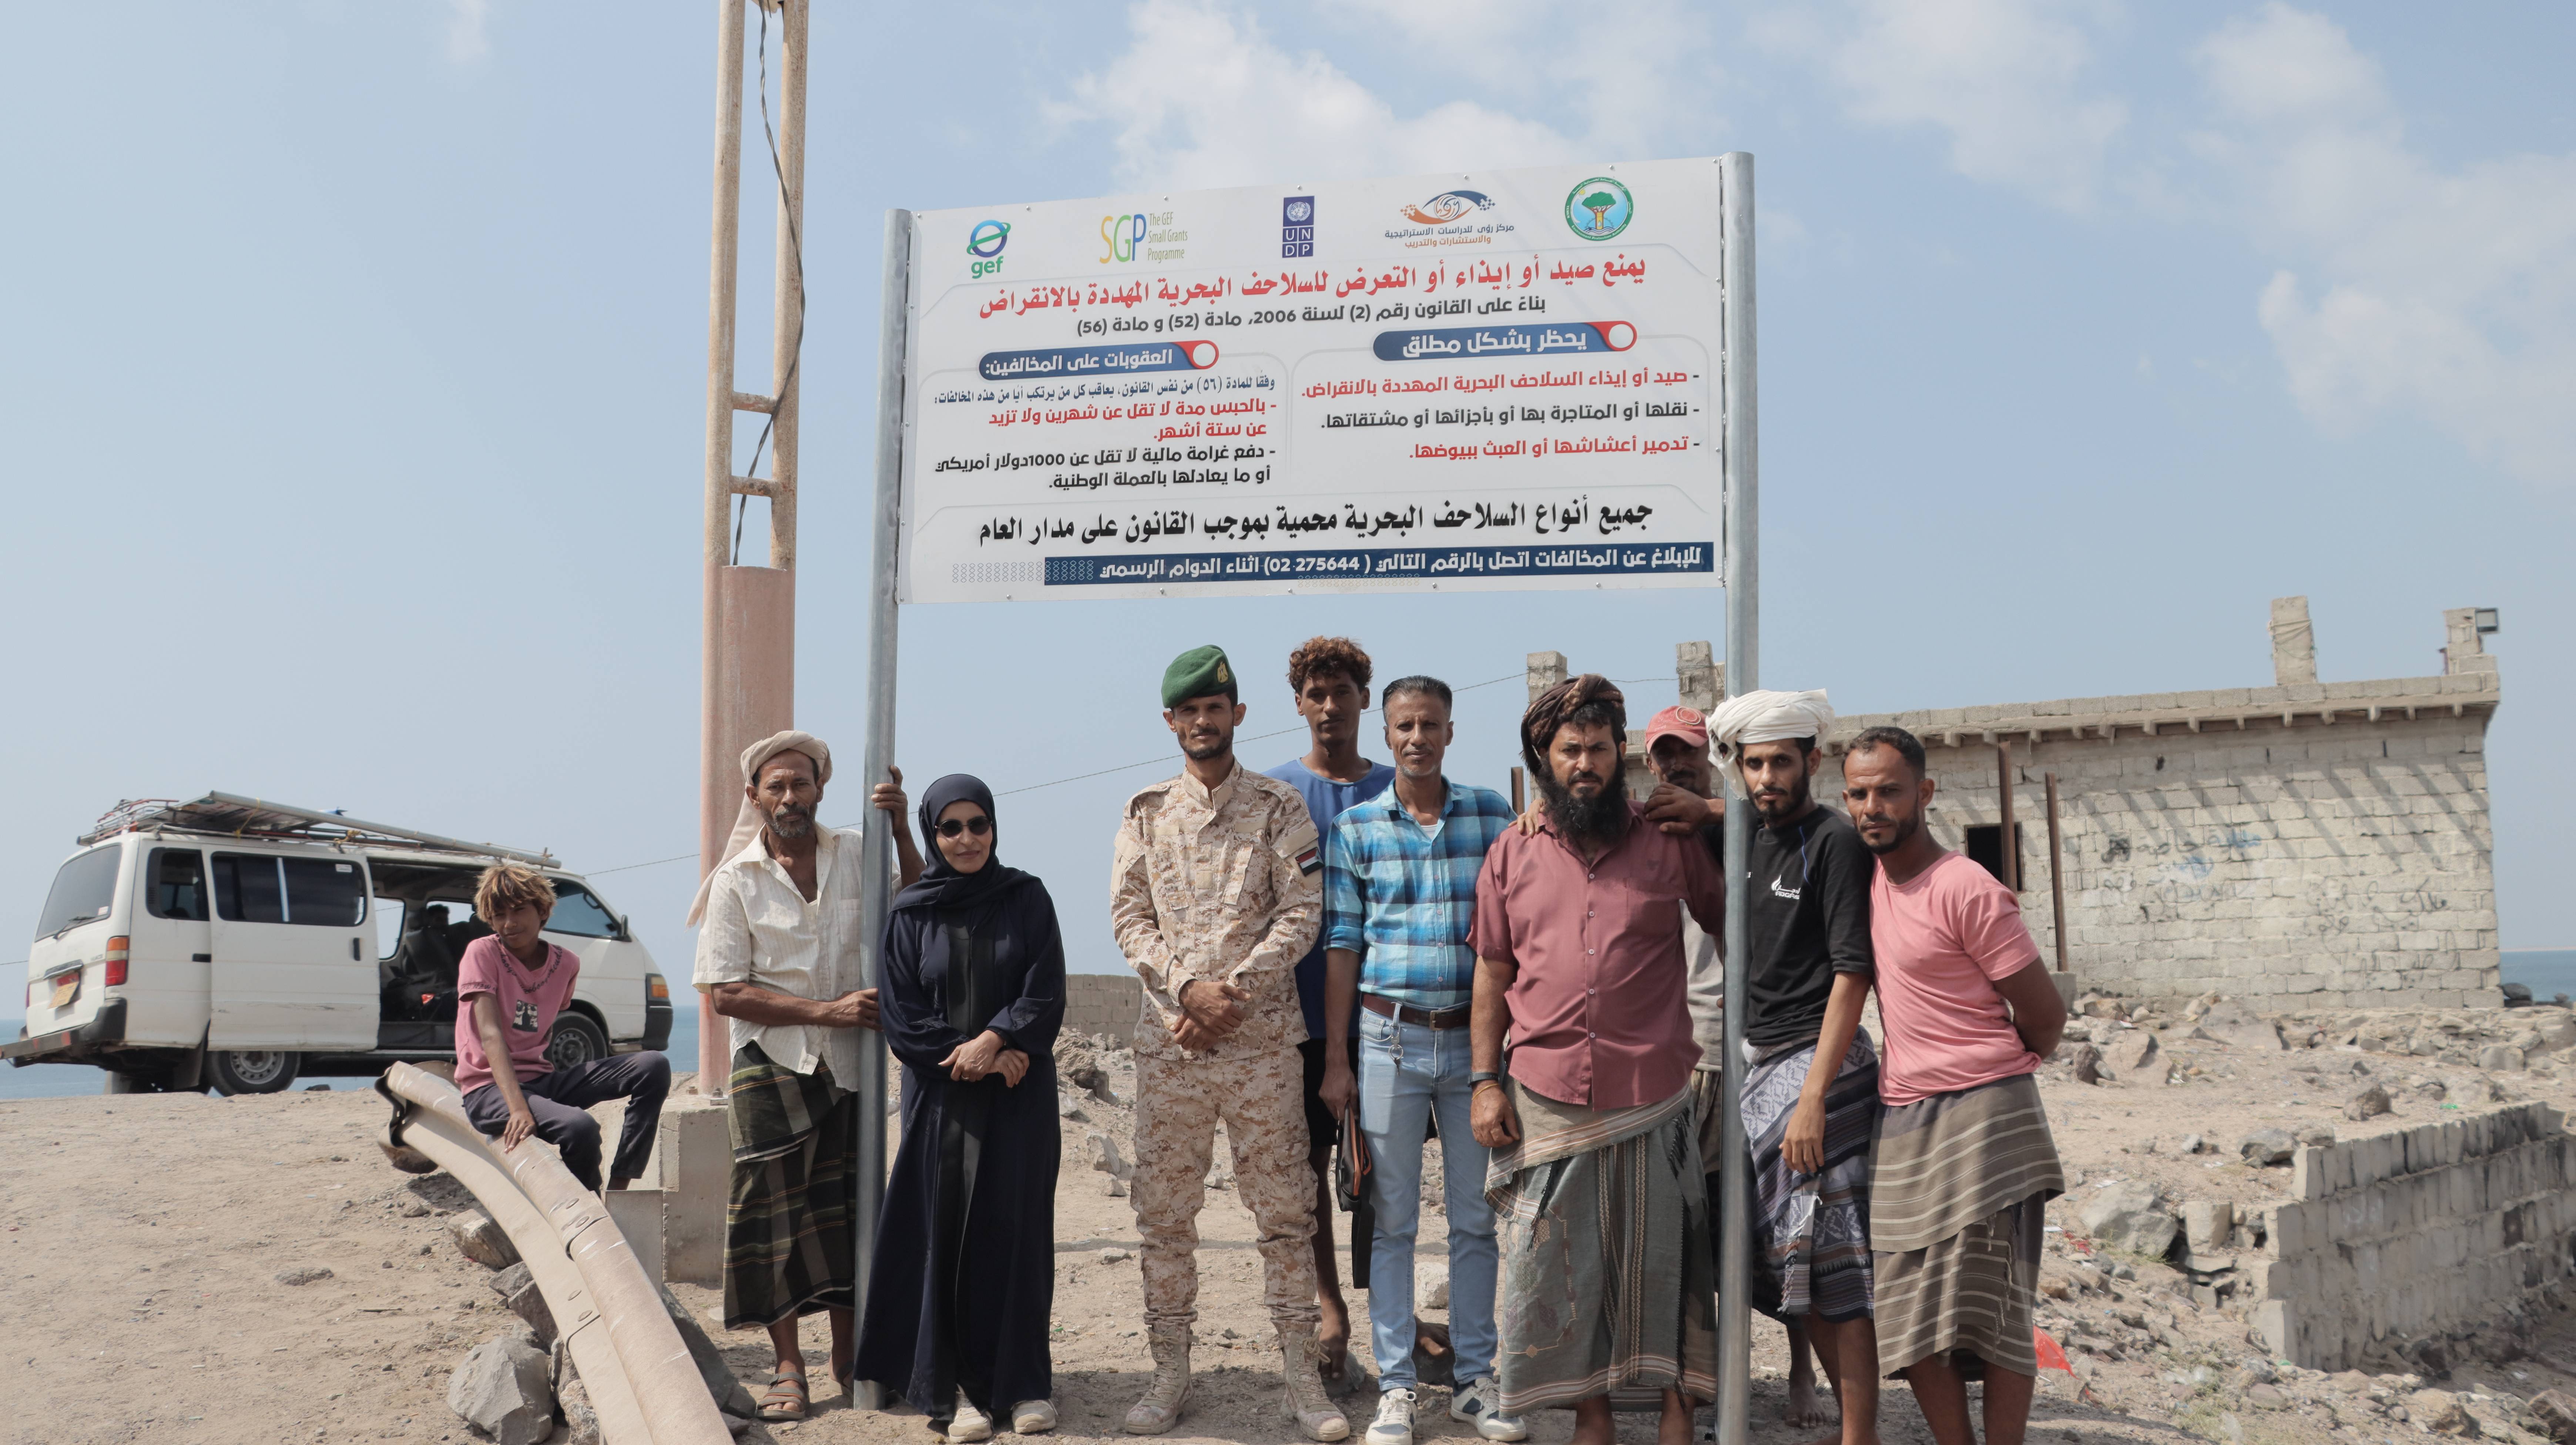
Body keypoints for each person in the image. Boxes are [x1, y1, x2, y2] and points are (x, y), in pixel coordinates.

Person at [1468, 675, 1722, 1445]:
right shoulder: (1510, 851)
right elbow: (1493, 971)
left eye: (1600, 748)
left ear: (1621, 754)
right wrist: (1484, 1081)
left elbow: (1735, 921)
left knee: (1665, 1262)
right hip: (1545, 1093)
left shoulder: (1669, 839)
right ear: (1543, 759)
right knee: (1561, 1266)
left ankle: (1677, 1408)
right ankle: (1591, 1413)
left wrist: (1717, 814)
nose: (1586, 763)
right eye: (1570, 749)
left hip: (1653, 1088)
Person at [1110, 645, 1351, 1442]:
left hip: (1261, 1047)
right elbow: (1128, 916)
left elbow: (1303, 911)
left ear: (1237, 714)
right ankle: (1169, 1373)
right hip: (1172, 1047)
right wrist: (1187, 989)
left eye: (1216, 707)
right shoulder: (1145, 811)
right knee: (1164, 1217)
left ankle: (1302, 1377)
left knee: (1286, 1214)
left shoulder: (1280, 807)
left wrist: (1231, 993)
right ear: (1172, 721)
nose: (1204, 721)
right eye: (1190, 710)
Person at [1840, 728, 2067, 1445]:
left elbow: (2045, 1016)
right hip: (1904, 1118)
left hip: (1988, 1117)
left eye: (1889, 791)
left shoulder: (1966, 887)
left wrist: (1986, 1073)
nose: (1873, 806)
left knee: (1996, 1310)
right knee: (1906, 1312)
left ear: (1925, 793)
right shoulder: (1863, 882)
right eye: (1859, 793)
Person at [690, 730, 924, 1424]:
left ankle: (848, 1357)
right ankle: (788, 1365)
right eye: (777, 786)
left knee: (849, 1210)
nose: (790, 796)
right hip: (772, 1065)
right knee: (771, 1215)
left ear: (821, 788)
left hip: (852, 1066)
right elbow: (726, 992)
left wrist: (901, 828)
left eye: (801, 782)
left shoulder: (857, 853)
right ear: (755, 796)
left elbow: (921, 901)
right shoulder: (736, 880)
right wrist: (827, 1011)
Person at [1315, 676, 1525, 1445]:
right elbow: (1344, 945)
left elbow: (1516, 932)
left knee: (1475, 1217)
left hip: (1474, 1045)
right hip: (1387, 1040)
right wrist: (1336, 1058)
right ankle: (1397, 1387)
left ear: (1450, 731)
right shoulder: (1357, 828)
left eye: (1430, 724)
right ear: (1388, 731)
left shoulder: (1492, 816)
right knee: (1393, 1220)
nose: (1417, 738)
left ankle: (1473, 1381)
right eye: (1404, 725)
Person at [856, 775, 1067, 1442]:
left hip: (1018, 1096)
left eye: (979, 824)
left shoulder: (1026, 897)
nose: (968, 838)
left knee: (1016, 1233)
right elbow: (901, 1013)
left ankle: (1024, 1384)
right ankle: (956, 1391)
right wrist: (974, 1053)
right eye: (951, 828)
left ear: (994, 827)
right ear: (932, 834)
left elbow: (1045, 989)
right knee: (944, 1237)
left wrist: (997, 1038)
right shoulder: (910, 914)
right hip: (942, 1096)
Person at [1641, 706, 1834, 1432]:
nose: (1675, 765)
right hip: (1685, 1057)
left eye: (1688, 752)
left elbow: (1799, 820)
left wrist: (1713, 810)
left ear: (1714, 757)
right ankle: (1698, 1380)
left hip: (1761, 1050)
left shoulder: (1756, 827)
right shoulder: (1654, 833)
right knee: (1694, 1229)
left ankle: (1800, 1368)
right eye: (1663, 755)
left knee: (1782, 1222)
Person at [1705, 690, 1881, 1445]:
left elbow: (1853, 972)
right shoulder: (1748, 833)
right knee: (1796, 1266)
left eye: (1781, 761)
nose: (1767, 777)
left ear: (1813, 760)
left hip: (1817, 1067)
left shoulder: (1834, 841)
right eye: (1754, 764)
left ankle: (1860, 1433)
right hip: (1761, 1067)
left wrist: (1812, 1097)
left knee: (1839, 1270)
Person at [1261, 636, 1396, 1387]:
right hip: (1300, 1015)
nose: (1330, 704)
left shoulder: (1396, 787)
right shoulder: (1274, 792)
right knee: (1309, 1163)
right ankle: (1329, 1307)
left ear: (1363, 699)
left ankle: (1394, 1318)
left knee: (1385, 1165)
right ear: (1298, 703)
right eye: (1316, 692)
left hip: (1388, 1011)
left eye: (1342, 690)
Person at [456, 862, 670, 1193]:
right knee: (580, 1127)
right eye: (499, 915)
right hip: (489, 1090)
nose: (509, 923)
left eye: (518, 910)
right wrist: (518, 1109)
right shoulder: (482, 953)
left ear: (542, 911)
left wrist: (549, 1092)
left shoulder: (566, 963)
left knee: (652, 1065)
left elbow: (545, 1025)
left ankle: (620, 1188)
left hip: (541, 1080)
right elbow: (491, 1035)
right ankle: (589, 1207)